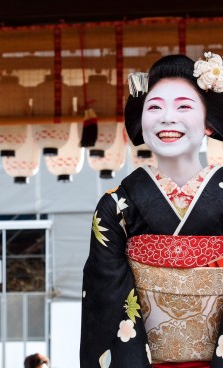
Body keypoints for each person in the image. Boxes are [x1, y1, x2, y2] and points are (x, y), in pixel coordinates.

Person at [80, 52, 223, 368]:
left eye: (184, 106)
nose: (167, 118)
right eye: (155, 107)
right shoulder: (116, 204)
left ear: (209, 123)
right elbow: (106, 297)